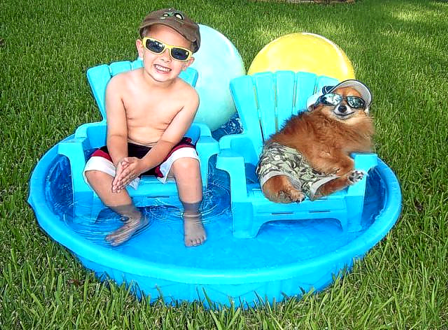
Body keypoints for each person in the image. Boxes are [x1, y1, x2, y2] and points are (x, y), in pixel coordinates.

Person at [83, 8, 206, 247]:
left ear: (187, 63)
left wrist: (143, 165)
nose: (165, 58)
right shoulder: (118, 85)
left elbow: (168, 142)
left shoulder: (188, 97)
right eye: (156, 46)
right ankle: (133, 217)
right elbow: (117, 133)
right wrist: (121, 163)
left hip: (164, 150)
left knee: (189, 163)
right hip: (124, 146)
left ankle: (192, 214)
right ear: (141, 48)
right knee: (95, 171)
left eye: (178, 53)